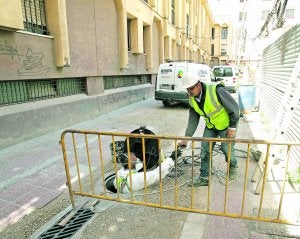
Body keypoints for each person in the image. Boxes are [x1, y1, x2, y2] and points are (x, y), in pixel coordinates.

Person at [178, 71, 240, 187]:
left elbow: (235, 109)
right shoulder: (192, 99)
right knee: (205, 149)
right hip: (211, 126)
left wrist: (232, 127)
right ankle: (204, 177)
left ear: (199, 84)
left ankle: (233, 167)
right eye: (187, 89)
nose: (189, 92)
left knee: (227, 148)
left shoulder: (217, 90)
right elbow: (193, 121)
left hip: (226, 125)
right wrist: (186, 138)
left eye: (191, 88)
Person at [105, 151, 175, 193]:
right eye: (135, 159)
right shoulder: (136, 178)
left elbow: (139, 165)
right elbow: (157, 174)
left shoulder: (120, 173)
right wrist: (171, 158)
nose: (137, 159)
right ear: (130, 164)